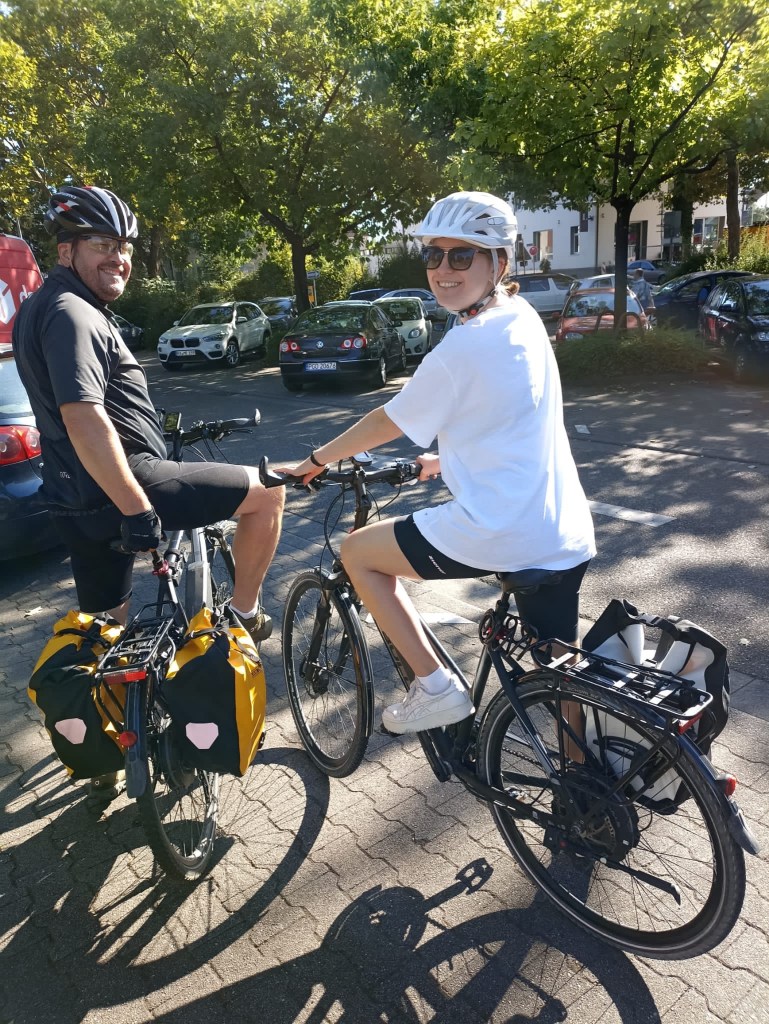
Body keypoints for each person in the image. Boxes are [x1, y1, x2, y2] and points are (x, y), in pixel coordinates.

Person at [282, 191, 596, 735]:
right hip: (561, 533)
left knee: (358, 553)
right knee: (561, 676)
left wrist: (314, 460)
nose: (443, 269)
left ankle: (436, 689)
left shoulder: (465, 344)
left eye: (461, 255)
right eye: (433, 255)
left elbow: (387, 420)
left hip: (500, 528)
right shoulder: (520, 316)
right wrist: (445, 458)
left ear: (500, 261)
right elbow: (506, 417)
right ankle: (585, 775)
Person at [13, 185, 284, 798]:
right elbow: (84, 416)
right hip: (129, 484)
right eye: (102, 245)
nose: (119, 258)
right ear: (65, 249)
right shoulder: (73, 313)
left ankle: (108, 749)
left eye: (125, 247)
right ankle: (244, 614)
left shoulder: (41, 308)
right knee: (267, 493)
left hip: (71, 500)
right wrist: (137, 507)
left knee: (105, 630)